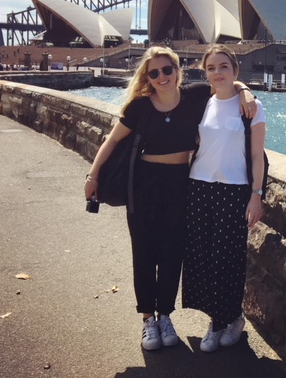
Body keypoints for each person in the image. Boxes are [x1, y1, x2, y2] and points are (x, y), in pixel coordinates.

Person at [84, 46, 255, 352]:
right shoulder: (139, 107)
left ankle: (166, 315)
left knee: (173, 253)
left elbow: (227, 81)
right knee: (145, 253)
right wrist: (92, 176)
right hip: (144, 185)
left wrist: (245, 93)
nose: (162, 77)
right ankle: (148, 319)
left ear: (178, 71)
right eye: (154, 73)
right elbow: (111, 141)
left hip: (180, 184)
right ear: (147, 77)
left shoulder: (194, 97)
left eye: (167, 70)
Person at [182, 44, 266, 353]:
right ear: (205, 73)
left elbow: (257, 156)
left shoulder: (252, 107)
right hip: (199, 188)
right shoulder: (201, 101)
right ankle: (222, 318)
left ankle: (226, 319)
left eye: (224, 67)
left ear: (235, 70)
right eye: (211, 68)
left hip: (234, 192)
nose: (217, 73)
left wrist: (256, 195)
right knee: (202, 258)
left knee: (227, 259)